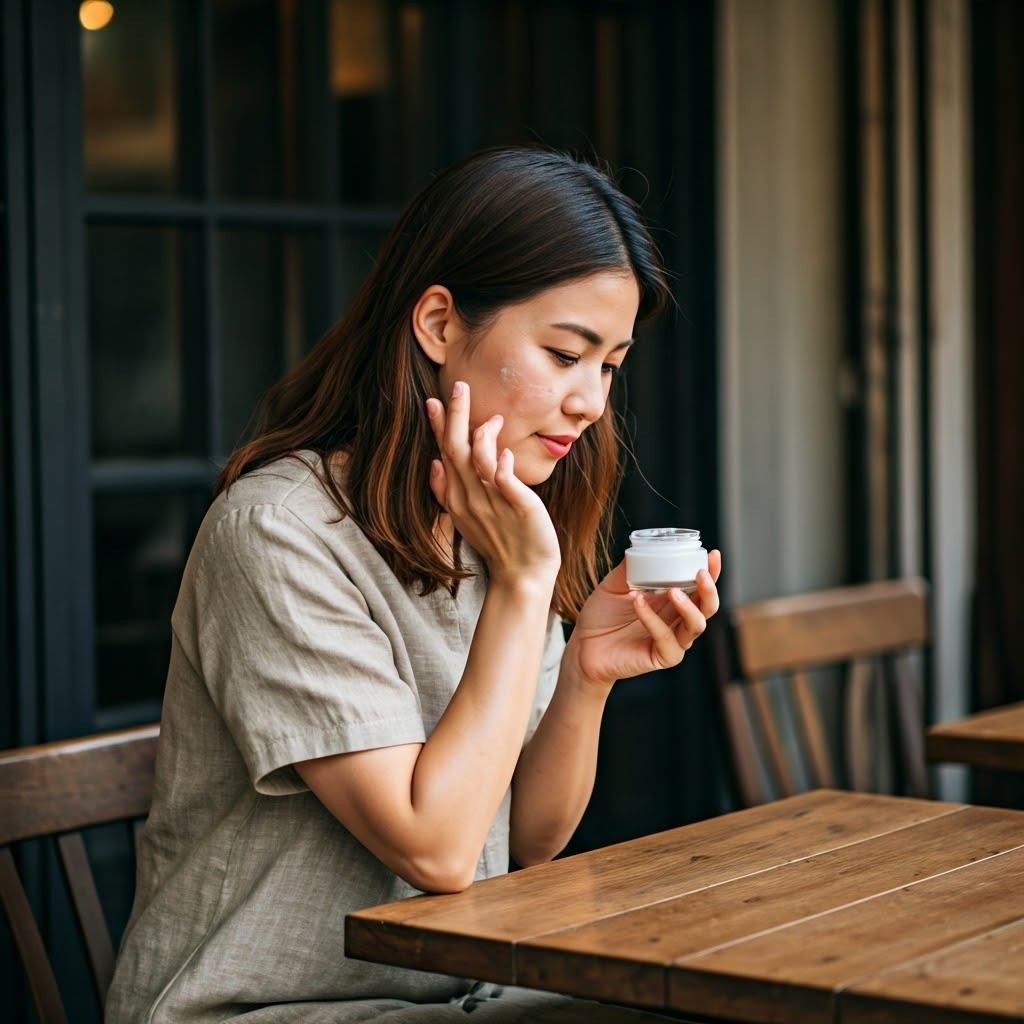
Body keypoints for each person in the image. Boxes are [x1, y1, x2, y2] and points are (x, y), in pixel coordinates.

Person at [106, 145, 722, 1023]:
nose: (590, 401)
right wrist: (522, 585)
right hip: (269, 1009)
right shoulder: (279, 531)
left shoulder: (490, 524)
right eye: (564, 352)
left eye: (610, 366)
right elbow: (436, 850)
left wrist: (585, 673)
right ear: (437, 323)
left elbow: (521, 842)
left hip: (455, 993)